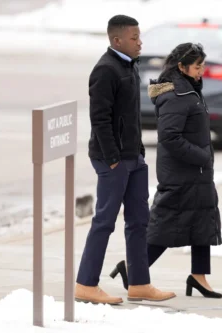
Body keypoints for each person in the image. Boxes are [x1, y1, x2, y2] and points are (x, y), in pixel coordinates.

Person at [74, 14, 176, 305]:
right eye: (134, 38)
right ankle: (85, 284)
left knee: (139, 221)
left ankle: (139, 283)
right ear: (117, 40)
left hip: (134, 157)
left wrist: (139, 153)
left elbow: (129, 117)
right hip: (113, 160)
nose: (140, 42)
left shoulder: (129, 66)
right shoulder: (105, 70)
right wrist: (113, 159)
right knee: (105, 221)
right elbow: (100, 119)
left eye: (139, 37)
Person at [110, 42, 222, 299]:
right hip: (182, 173)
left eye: (203, 65)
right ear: (182, 67)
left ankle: (199, 277)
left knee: (201, 220)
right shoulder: (175, 95)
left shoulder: (188, 89)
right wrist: (202, 156)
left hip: (197, 172)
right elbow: (170, 137)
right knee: (167, 226)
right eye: (197, 66)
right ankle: (132, 269)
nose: (201, 71)